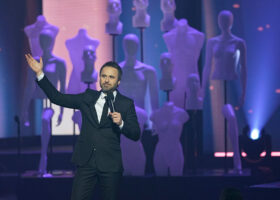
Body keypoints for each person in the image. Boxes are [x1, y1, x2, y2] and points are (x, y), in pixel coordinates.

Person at [25, 54, 141, 200]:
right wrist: (40, 74)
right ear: (99, 78)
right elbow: (57, 97)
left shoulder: (126, 103)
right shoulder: (88, 97)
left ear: (118, 82)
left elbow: (136, 134)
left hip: (110, 164)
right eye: (103, 76)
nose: (106, 80)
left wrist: (121, 123)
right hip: (86, 162)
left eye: (111, 77)